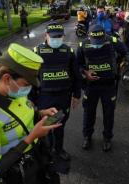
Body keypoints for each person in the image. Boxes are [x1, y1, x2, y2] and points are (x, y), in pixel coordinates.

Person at [0, 43, 62, 184]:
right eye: (26, 84)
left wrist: (40, 113)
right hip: (18, 175)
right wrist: (32, 137)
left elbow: (24, 115)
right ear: (7, 78)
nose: (28, 89)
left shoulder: (16, 93)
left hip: (38, 160)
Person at [33, 22, 82, 161]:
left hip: (63, 97)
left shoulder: (68, 52)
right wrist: (31, 99)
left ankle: (59, 149)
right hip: (45, 97)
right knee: (45, 127)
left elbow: (76, 75)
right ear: (46, 35)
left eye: (59, 37)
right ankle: (47, 151)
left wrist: (77, 95)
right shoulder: (36, 52)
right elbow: (29, 78)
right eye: (53, 37)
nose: (56, 39)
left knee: (60, 125)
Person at [76, 24, 126, 152]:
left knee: (109, 114)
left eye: (100, 42)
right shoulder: (83, 46)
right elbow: (77, 64)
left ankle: (107, 138)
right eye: (95, 42)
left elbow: (124, 53)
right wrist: (85, 73)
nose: (97, 44)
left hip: (108, 85)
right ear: (88, 36)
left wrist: (120, 65)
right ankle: (87, 136)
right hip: (91, 86)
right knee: (88, 113)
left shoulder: (113, 42)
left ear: (105, 36)